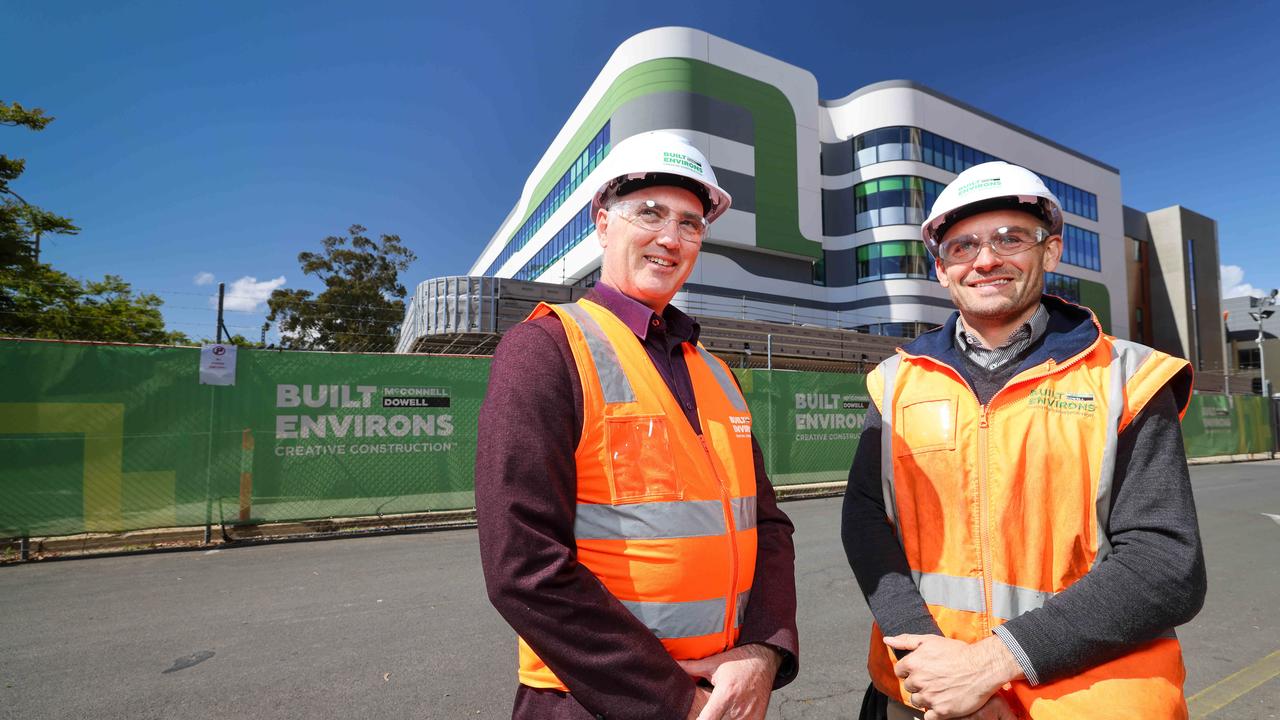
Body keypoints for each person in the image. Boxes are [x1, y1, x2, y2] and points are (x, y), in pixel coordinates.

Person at [841, 161, 1206, 720]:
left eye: (1009, 238)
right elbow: (866, 520)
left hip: (1085, 702)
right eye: (962, 247)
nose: (985, 260)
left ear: (1051, 251)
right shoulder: (896, 380)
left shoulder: (1127, 377)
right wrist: (931, 661)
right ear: (941, 270)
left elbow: (1165, 565)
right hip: (926, 695)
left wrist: (992, 665)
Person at [477, 131, 799, 720]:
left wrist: (761, 654)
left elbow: (769, 525)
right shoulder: (546, 349)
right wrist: (675, 700)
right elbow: (523, 567)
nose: (670, 238)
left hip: (726, 693)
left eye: (691, 223)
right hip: (594, 702)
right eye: (649, 212)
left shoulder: (715, 371)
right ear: (602, 223)